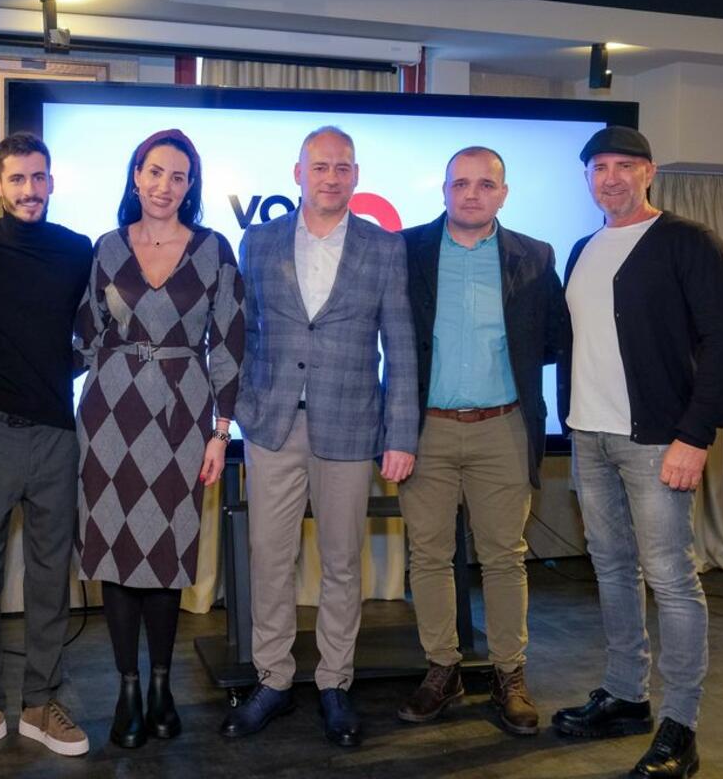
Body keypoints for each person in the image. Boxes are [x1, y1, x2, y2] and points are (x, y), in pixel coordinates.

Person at [552, 126, 723, 779]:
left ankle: (681, 728)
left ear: (649, 172)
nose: (610, 177)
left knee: (671, 580)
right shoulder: (583, 249)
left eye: (624, 166)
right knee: (611, 569)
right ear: (587, 178)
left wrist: (695, 436)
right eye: (599, 167)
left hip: (658, 440)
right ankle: (626, 695)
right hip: (589, 437)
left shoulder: (689, 242)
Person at [221, 125, 418, 747]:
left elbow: (401, 347)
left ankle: (335, 682)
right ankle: (273, 679)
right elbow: (242, 332)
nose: (331, 177)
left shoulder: (384, 247)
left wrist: (401, 432)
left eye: (342, 167)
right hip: (272, 424)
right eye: (320, 166)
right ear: (297, 174)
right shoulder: (258, 240)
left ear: (356, 176)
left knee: (341, 562)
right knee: (269, 559)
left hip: (352, 425)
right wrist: (234, 408)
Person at [74, 129, 245, 748]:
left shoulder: (214, 249)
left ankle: (162, 686)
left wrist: (221, 431)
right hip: (109, 416)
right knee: (117, 553)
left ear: (191, 185)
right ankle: (127, 689)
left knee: (167, 554)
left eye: (177, 176)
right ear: (135, 175)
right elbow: (87, 334)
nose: (164, 186)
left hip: (182, 415)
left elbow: (229, 345)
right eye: (154, 172)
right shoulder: (107, 246)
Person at [396, 146, 566, 735]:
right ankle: (442, 669)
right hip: (426, 429)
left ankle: (508, 675)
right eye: (460, 183)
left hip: (504, 427)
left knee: (504, 557)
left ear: (503, 193)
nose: (472, 194)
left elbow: (553, 338)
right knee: (429, 556)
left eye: (485, 184)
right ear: (444, 190)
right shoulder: (406, 249)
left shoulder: (536, 256)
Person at [0, 133, 93, 767]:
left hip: (57, 434)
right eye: (18, 179)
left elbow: (100, 325)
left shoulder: (78, 250)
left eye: (39, 177)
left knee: (51, 578)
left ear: (51, 181)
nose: (30, 190)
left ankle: (39, 702)